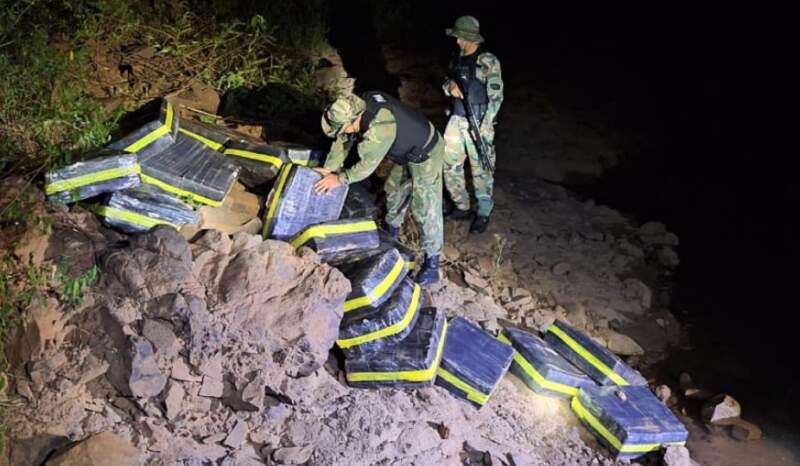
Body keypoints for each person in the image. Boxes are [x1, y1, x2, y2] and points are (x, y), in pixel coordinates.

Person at [314, 92, 445, 286]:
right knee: (393, 190)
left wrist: (340, 178)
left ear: (353, 121)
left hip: (427, 151)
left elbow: (366, 166)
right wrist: (329, 168)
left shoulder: (380, 128)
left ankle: (432, 264)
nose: (344, 132)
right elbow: (342, 139)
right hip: (406, 151)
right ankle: (391, 236)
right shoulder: (355, 107)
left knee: (424, 207)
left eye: (344, 128)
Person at [442, 15, 504, 233]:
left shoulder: (487, 60)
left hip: (479, 121)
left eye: (460, 37)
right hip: (456, 119)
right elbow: (447, 79)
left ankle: (483, 212)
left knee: (482, 169)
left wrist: (485, 126)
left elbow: (496, 97)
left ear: (469, 38)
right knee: (449, 164)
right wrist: (449, 86)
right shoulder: (457, 57)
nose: (458, 41)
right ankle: (461, 205)